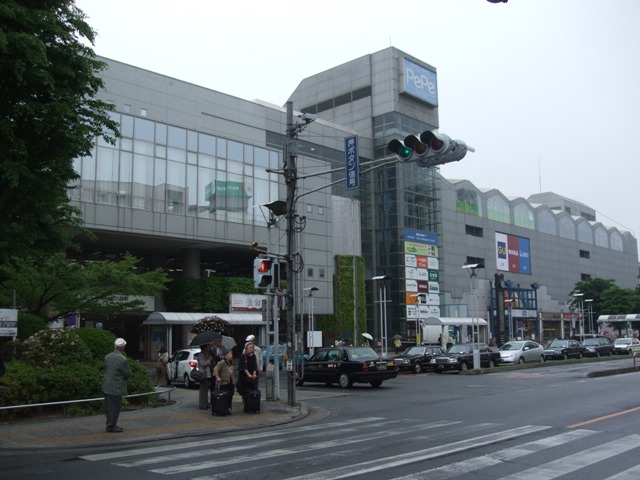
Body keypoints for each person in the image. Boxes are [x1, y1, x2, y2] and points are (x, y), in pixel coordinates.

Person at [102, 338, 131, 433]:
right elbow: (128, 374)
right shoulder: (122, 359)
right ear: (122, 347)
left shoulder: (107, 357)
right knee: (115, 407)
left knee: (108, 407)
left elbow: (106, 369)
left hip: (106, 385)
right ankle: (111, 426)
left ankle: (109, 424)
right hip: (116, 387)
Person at [236, 342, 259, 413]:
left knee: (252, 391)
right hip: (244, 378)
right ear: (246, 349)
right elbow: (243, 367)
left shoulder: (254, 356)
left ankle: (252, 406)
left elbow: (255, 365)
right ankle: (246, 406)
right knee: (244, 392)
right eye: (250, 348)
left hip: (252, 377)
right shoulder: (243, 356)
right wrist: (248, 375)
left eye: (252, 348)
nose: (251, 349)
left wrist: (254, 373)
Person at [213, 350, 235, 415]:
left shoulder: (231, 363)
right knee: (225, 396)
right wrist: (217, 377)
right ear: (225, 356)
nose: (230, 356)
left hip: (231, 382)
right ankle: (224, 408)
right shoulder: (222, 362)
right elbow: (215, 369)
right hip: (224, 382)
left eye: (231, 354)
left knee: (230, 396)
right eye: (229, 354)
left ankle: (229, 408)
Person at [196, 343, 213, 410]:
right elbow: (202, 363)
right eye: (207, 346)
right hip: (203, 374)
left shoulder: (206, 354)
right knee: (203, 390)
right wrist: (209, 360)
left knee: (206, 389)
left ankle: (205, 403)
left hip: (207, 374)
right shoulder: (201, 355)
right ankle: (202, 404)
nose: (209, 348)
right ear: (204, 347)